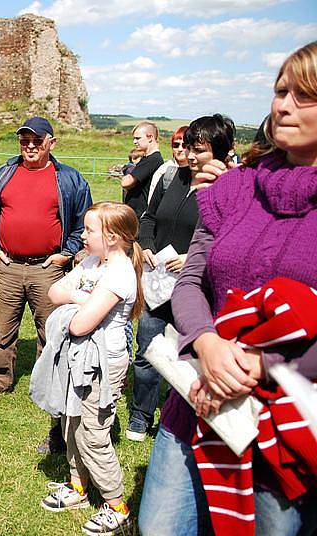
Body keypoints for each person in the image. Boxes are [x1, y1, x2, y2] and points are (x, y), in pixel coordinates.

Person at [138, 41, 317, 535]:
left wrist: (266, 365)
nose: (283, 104)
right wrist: (208, 343)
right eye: (281, 90)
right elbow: (191, 278)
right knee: (160, 527)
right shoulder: (235, 189)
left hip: (285, 419)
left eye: (305, 96)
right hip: (198, 392)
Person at [126, 117, 235, 443]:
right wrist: (146, 245)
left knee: (189, 357)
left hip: (198, 288)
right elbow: (148, 217)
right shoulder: (173, 178)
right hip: (158, 282)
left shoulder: (229, 190)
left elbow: (232, 238)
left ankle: (187, 419)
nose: (189, 155)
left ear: (221, 152)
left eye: (198, 150)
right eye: (188, 147)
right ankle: (141, 416)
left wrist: (193, 257)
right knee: (147, 350)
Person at [40, 201, 143, 535]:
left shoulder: (119, 272)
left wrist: (77, 299)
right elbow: (54, 292)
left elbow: (81, 325)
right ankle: (79, 487)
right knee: (71, 421)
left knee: (93, 435)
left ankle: (117, 506)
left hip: (102, 363)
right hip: (77, 358)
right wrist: (83, 297)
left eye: (89, 230)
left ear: (111, 237)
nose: (82, 235)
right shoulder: (93, 262)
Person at [0, 116, 92, 401]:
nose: (30, 146)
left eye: (37, 141)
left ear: (51, 143)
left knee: (50, 327)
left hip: (48, 267)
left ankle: (48, 379)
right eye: (24, 141)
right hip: (9, 265)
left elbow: (83, 222)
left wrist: (65, 255)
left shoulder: (69, 179)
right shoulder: (3, 175)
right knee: (4, 327)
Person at [121, 121, 164, 218]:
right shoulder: (146, 159)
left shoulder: (153, 159)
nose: (134, 142)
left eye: (138, 138)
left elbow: (126, 182)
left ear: (150, 137)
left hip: (141, 215)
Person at [147, 125, 188, 199]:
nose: (180, 149)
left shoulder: (197, 170)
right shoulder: (164, 170)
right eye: (176, 145)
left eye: (184, 145)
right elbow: (152, 201)